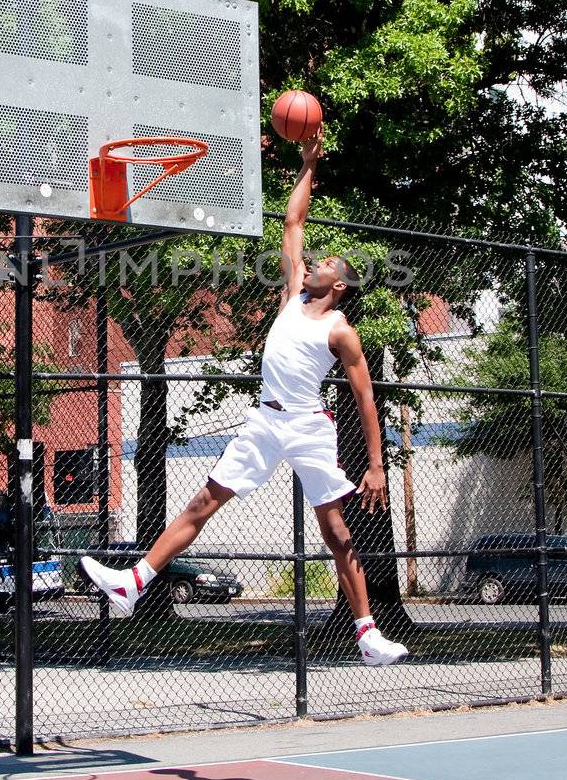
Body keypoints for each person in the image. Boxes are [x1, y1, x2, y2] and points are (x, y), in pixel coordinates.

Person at [80, 135, 409, 666]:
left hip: (307, 426)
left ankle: (367, 633)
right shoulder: (291, 296)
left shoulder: (341, 330)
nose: (318, 262)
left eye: (330, 263)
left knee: (337, 532)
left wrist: (376, 465)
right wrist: (306, 165)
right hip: (264, 422)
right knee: (202, 502)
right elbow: (293, 223)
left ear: (341, 286)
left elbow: (367, 399)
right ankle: (134, 581)